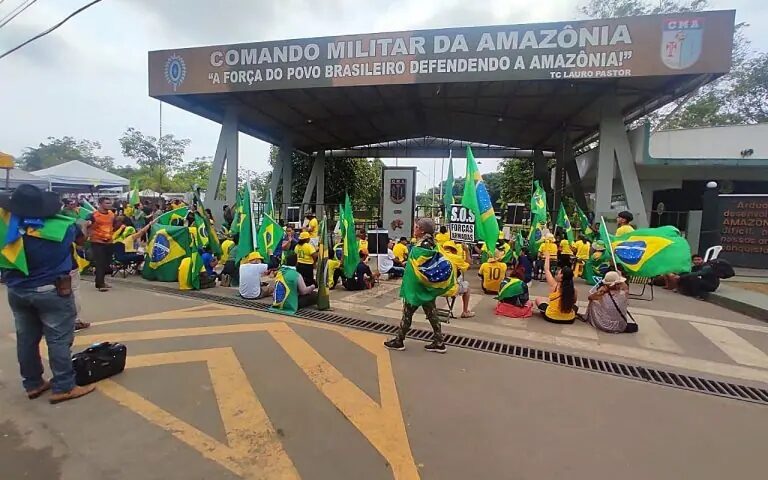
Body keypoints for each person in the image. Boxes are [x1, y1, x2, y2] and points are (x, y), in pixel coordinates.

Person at [0, 184, 96, 403]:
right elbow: (81, 236)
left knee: (26, 340)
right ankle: (64, 386)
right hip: (51, 290)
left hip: (17, 290)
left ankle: (32, 384)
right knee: (58, 339)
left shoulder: (6, 229)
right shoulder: (61, 228)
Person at [384, 217, 447, 354]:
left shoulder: (422, 245)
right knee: (431, 313)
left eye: (416, 227)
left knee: (407, 313)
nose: (414, 229)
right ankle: (439, 341)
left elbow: (418, 266)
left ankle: (399, 341)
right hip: (426, 286)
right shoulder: (433, 243)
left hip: (417, 287)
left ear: (422, 230)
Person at [534, 255, 577, 324]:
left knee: (538, 299)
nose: (556, 274)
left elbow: (546, 269)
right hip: (569, 319)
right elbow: (573, 302)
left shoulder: (554, 285)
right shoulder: (573, 289)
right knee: (575, 307)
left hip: (552, 317)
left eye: (558, 273)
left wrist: (547, 255)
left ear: (561, 276)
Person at [86, 196, 116, 292]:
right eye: (107, 203)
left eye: (110, 203)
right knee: (100, 263)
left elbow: (114, 224)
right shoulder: (93, 215)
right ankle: (100, 284)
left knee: (107, 263)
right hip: (97, 242)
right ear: (100, 204)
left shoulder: (111, 214)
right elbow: (84, 224)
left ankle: (101, 280)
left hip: (109, 241)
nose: (109, 205)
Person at [442, 240, 475, 318]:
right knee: (467, 287)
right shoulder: (456, 258)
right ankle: (465, 311)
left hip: (436, 288)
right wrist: (466, 251)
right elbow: (468, 265)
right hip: (450, 289)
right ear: (453, 249)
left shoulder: (439, 256)